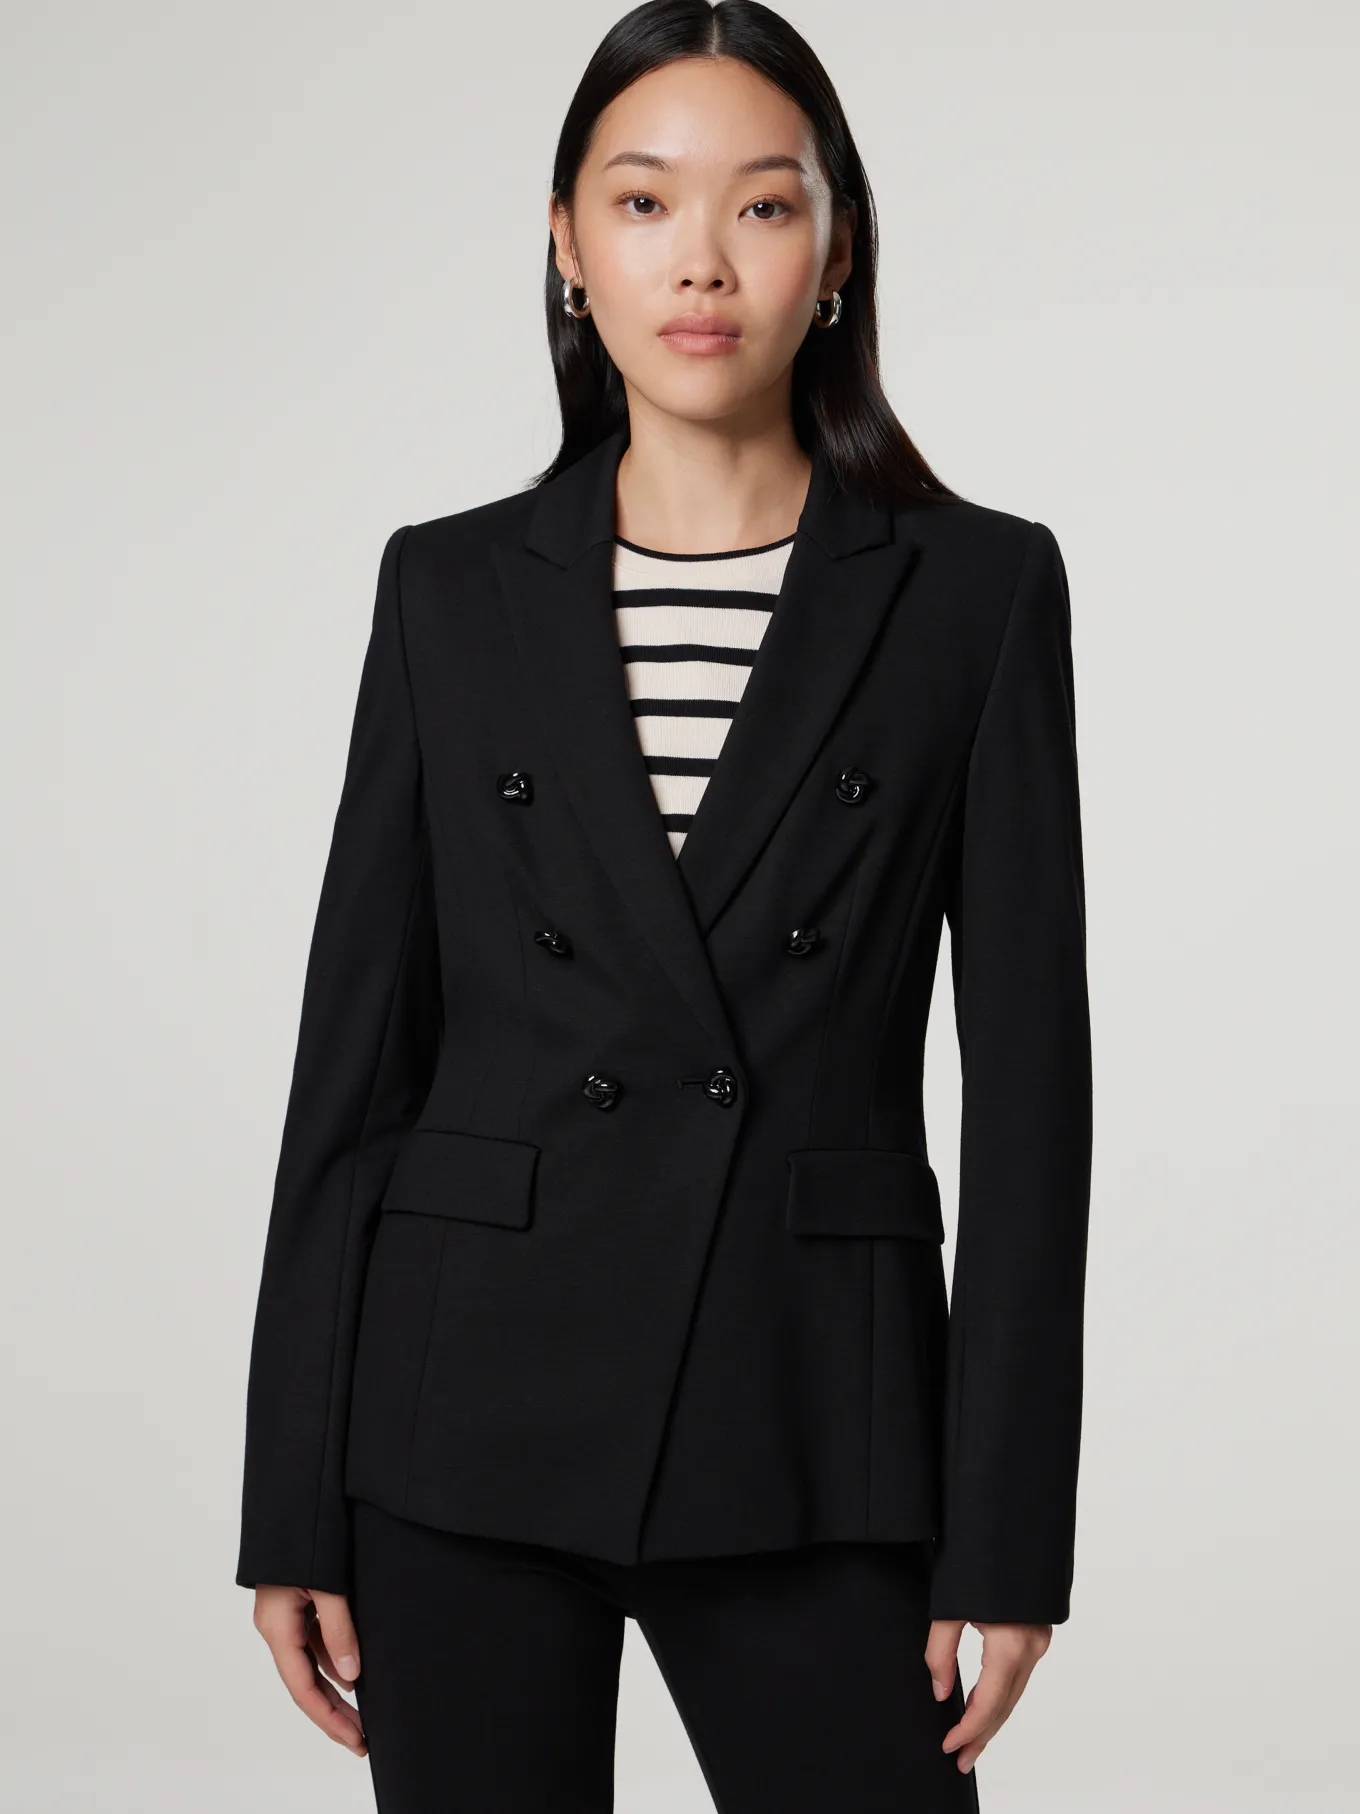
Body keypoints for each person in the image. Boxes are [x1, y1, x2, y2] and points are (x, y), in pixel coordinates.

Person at [234, 4, 1093, 1809]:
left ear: (838, 251)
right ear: (566, 244)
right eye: (642, 203)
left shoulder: (976, 592)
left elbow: (1031, 1099)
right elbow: (355, 1068)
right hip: (460, 1416)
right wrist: (289, 1492)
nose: (700, 260)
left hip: (812, 1417)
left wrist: (1008, 1529)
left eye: (763, 205)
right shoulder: (449, 589)